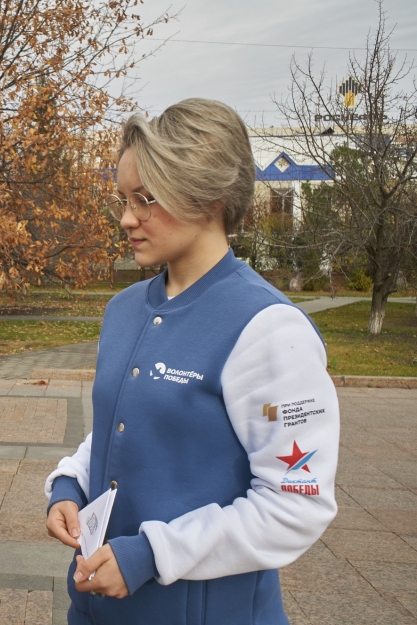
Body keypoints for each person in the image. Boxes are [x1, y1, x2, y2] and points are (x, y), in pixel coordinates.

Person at [44, 99, 339, 624]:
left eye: (146, 199)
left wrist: (153, 553)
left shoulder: (269, 330)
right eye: (122, 199)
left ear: (212, 199)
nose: (126, 218)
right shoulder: (123, 309)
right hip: (95, 609)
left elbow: (295, 504)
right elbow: (125, 426)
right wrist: (69, 484)